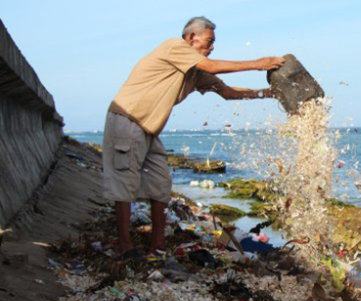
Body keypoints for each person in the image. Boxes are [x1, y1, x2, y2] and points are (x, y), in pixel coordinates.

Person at [103, 16, 285, 258]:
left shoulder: (196, 71)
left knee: (160, 186)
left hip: (149, 130)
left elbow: (228, 93)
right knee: (124, 185)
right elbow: (212, 66)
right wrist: (260, 63)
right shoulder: (174, 47)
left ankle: (157, 246)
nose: (212, 48)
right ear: (191, 38)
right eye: (209, 42)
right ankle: (125, 245)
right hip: (127, 121)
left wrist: (270, 94)